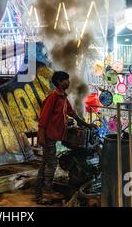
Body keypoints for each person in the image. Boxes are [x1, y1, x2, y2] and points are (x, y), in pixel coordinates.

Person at [35, 71, 97, 205]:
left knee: (45, 164)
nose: (68, 82)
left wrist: (85, 124)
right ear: (59, 82)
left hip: (52, 136)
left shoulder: (62, 97)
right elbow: (43, 118)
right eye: (66, 80)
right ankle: (46, 194)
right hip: (48, 136)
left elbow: (71, 112)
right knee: (51, 164)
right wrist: (41, 136)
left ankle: (39, 193)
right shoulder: (53, 97)